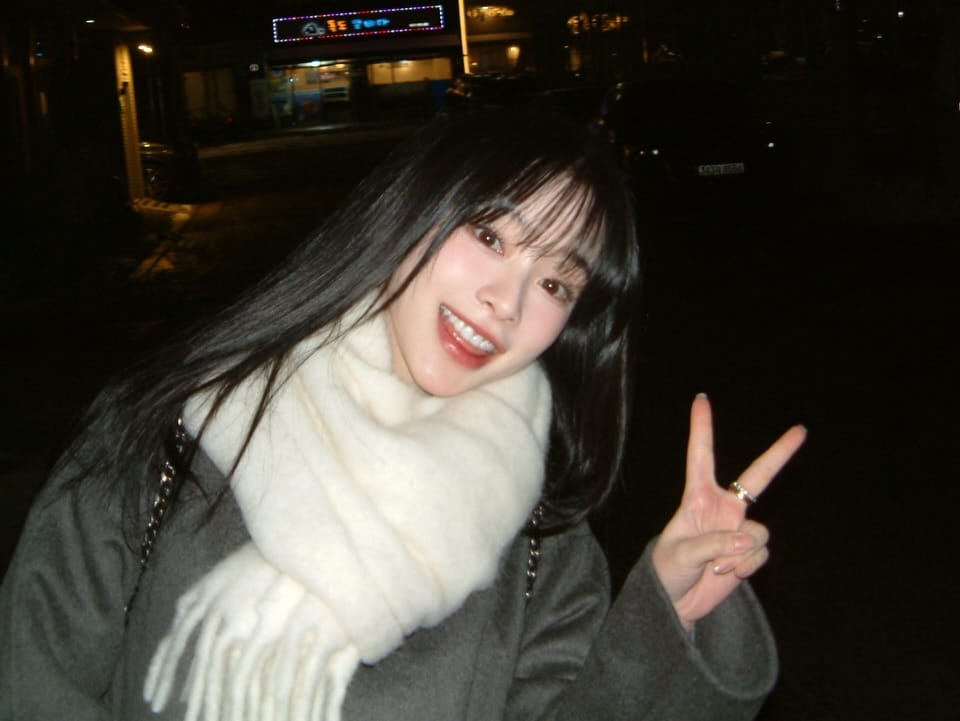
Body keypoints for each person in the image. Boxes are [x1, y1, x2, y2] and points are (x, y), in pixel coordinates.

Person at [0, 110, 805, 721]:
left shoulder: (542, 538)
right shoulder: (171, 430)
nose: (508, 300)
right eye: (489, 233)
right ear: (413, 210)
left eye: (558, 283)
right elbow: (33, 679)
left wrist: (663, 615)